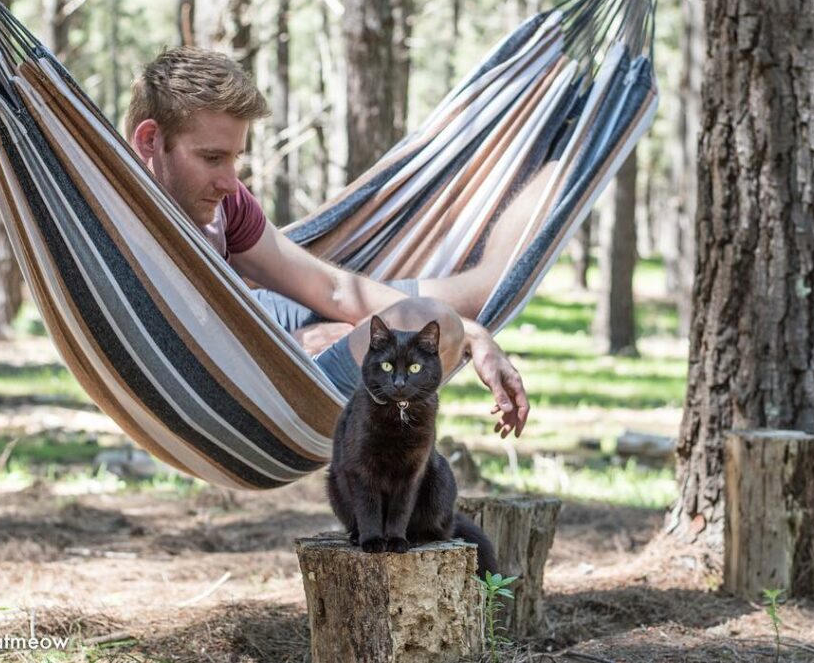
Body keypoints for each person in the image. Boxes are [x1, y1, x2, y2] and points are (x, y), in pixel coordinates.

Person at [126, 46, 540, 438]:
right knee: (437, 324)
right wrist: (286, 349)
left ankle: (551, 144)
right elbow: (163, 355)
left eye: (236, 158)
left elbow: (334, 289)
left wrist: (474, 334)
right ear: (150, 141)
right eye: (212, 158)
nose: (230, 182)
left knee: (470, 304)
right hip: (232, 373)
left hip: (249, 321)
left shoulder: (224, 203)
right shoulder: (109, 224)